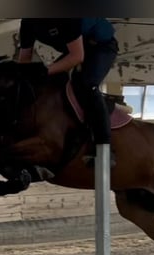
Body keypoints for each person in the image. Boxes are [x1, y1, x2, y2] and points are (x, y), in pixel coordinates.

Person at [17, 18, 119, 166]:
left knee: (86, 85)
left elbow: (77, 57)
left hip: (100, 47)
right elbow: (24, 59)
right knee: (49, 84)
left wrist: (44, 71)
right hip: (77, 46)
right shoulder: (27, 22)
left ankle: (105, 148)